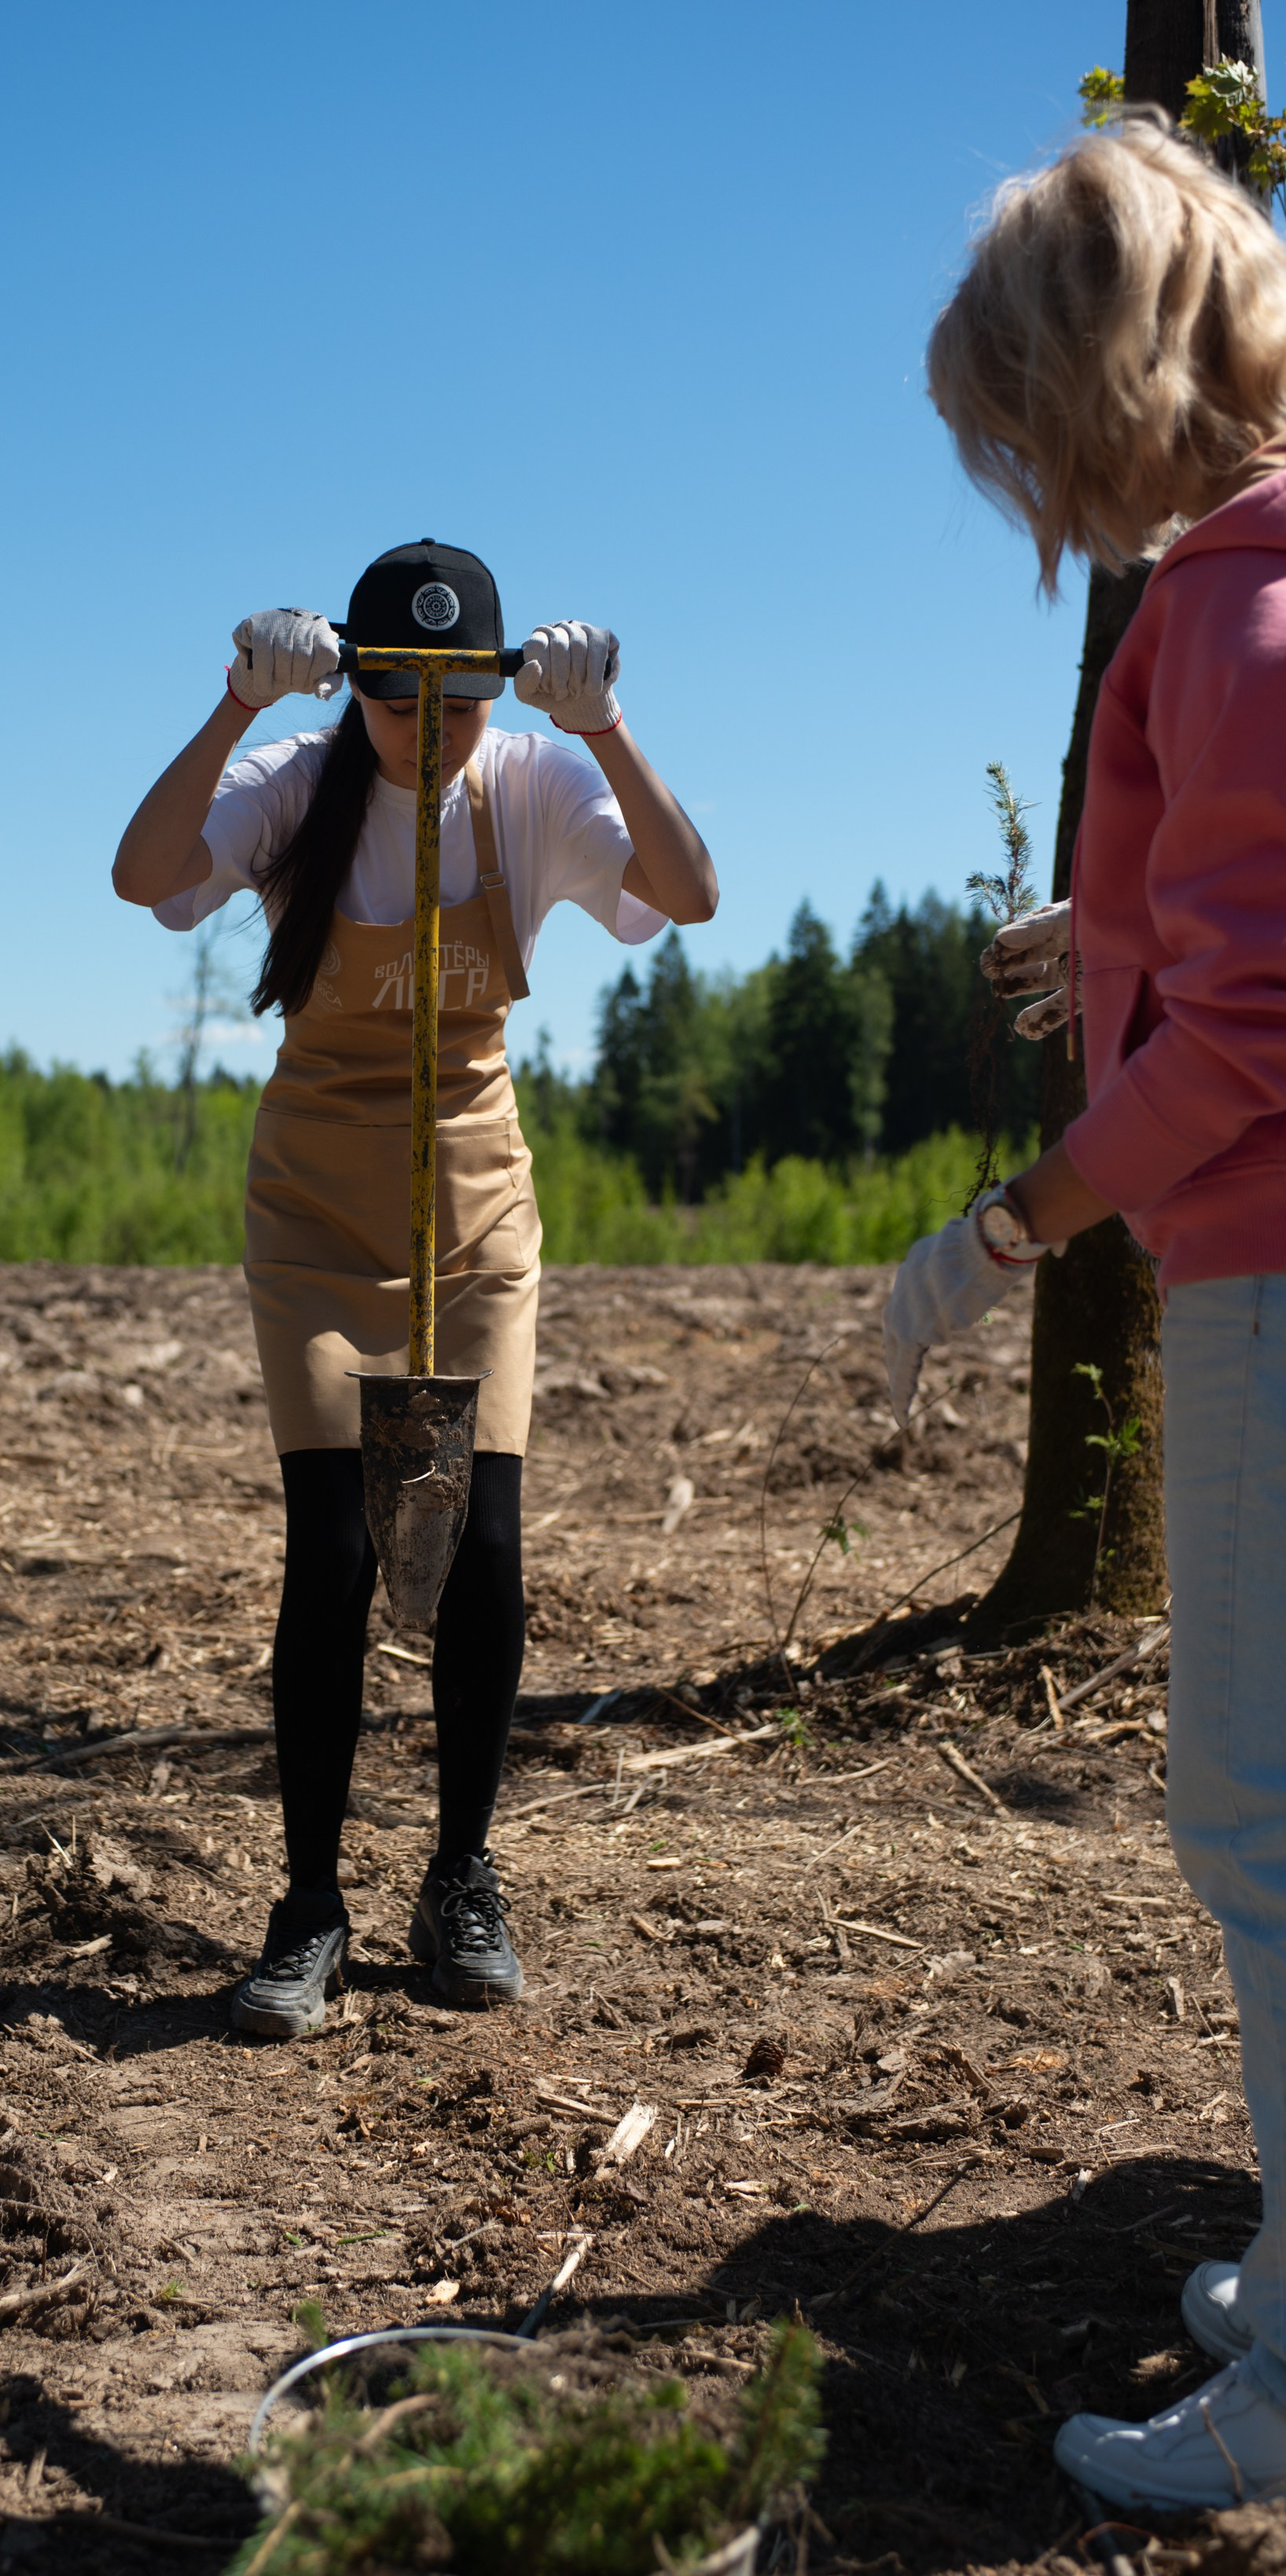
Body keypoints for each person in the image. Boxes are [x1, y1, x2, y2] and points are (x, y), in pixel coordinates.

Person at [891, 112, 1286, 2510]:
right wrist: (1113, 945)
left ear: (1107, 376)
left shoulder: (1231, 602)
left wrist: (1011, 1225)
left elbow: (1250, 1037)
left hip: (1265, 1268)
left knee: (1254, 1809)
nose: (1024, 490)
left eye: (1018, 434)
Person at [113, 541, 716, 2038]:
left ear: (492, 690)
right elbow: (142, 876)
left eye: (457, 704)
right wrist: (231, 702)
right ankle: (308, 1901)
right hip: (319, 1199)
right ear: (361, 692)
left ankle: (461, 1875)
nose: (429, 733)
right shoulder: (296, 780)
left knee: (483, 1543)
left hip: (475, 1207)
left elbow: (690, 893)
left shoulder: (527, 781)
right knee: (334, 1547)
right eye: (400, 704)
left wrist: (605, 728)